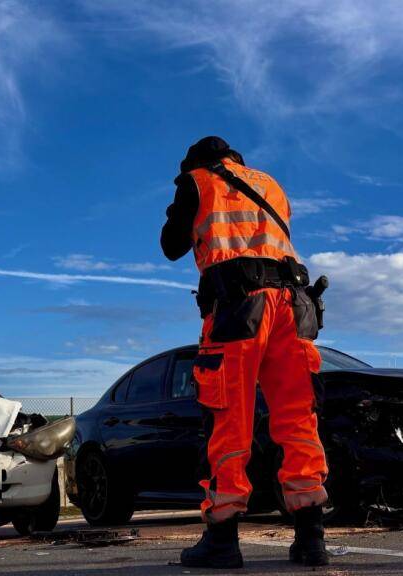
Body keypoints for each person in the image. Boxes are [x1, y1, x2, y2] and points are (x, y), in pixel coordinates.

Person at [161, 136, 330, 568]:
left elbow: (171, 245)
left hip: (239, 308)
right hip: (293, 306)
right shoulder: (270, 184)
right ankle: (311, 538)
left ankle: (222, 539)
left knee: (227, 420)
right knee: (298, 420)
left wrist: (182, 195)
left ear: (195, 163)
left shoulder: (197, 181)